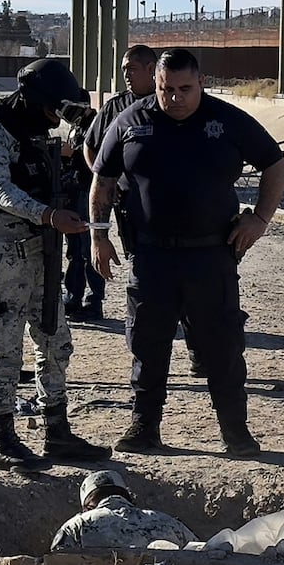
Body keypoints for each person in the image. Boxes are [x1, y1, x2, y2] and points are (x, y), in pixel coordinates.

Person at [89, 48, 284, 458]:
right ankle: (144, 428)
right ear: (156, 85)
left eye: (184, 88)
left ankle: (236, 433)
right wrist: (98, 235)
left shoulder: (226, 120)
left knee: (222, 347)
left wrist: (261, 219)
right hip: (150, 257)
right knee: (148, 345)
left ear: (201, 83)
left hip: (211, 256)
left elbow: (274, 163)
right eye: (166, 89)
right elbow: (103, 178)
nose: (175, 97)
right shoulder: (132, 121)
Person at [0, 58, 112, 472]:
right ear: (33, 99)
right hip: (0, 252)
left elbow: (61, 177)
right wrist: (47, 215)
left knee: (56, 341)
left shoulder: (34, 133)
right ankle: (3, 436)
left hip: (41, 250)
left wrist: (86, 144)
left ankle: (56, 430)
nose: (53, 117)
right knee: (5, 352)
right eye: (52, 108)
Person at [83, 44, 205, 376]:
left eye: (131, 68)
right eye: (124, 68)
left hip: (187, 218)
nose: (125, 74)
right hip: (135, 214)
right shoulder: (116, 109)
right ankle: (148, 359)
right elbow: (91, 146)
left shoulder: (178, 106)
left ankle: (198, 349)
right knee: (148, 285)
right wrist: (108, 177)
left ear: (152, 68)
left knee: (191, 288)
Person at [51, 470, 196, 550]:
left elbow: (55, 563)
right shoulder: (167, 521)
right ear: (127, 497)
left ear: (88, 506)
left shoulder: (76, 526)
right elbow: (202, 553)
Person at [60, 94, 105, 322]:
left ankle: (93, 300)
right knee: (74, 251)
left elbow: (98, 162)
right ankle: (73, 296)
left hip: (88, 193)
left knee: (89, 251)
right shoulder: (77, 127)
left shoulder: (97, 126)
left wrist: (73, 154)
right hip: (74, 191)